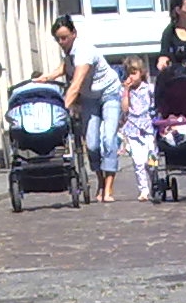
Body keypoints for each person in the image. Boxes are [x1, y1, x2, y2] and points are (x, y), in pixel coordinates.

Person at [45, 13, 124, 201]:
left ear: (74, 33)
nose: (61, 42)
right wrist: (47, 78)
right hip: (90, 98)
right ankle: (100, 180)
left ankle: (109, 188)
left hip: (109, 92)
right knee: (92, 143)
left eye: (64, 37)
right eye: (58, 39)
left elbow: (76, 83)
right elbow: (65, 67)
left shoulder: (84, 50)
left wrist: (62, 108)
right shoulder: (69, 53)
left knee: (109, 139)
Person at [118, 58, 155, 202]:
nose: (131, 77)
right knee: (138, 161)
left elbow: (155, 106)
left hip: (148, 127)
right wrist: (126, 90)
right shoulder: (125, 90)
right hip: (133, 127)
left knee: (150, 161)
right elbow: (125, 109)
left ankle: (155, 183)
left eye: (134, 73)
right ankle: (143, 190)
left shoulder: (149, 88)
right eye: (129, 74)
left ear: (141, 73)